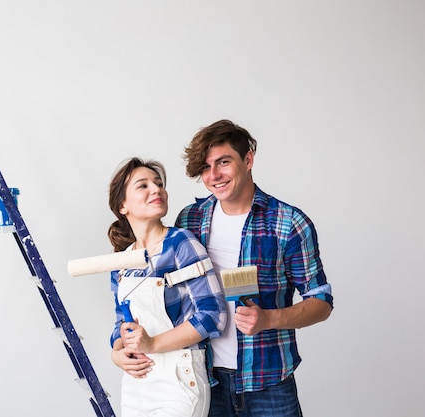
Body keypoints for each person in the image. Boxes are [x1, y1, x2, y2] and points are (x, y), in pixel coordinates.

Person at [175, 119, 333, 417]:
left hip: (270, 381)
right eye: (206, 167)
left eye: (224, 162)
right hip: (206, 379)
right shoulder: (190, 220)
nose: (214, 175)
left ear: (248, 160)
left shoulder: (288, 223)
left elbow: (321, 302)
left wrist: (269, 318)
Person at [107, 157, 227, 417]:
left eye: (159, 183)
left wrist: (151, 343)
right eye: (143, 185)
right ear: (122, 205)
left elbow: (212, 316)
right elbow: (120, 325)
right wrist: (117, 354)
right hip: (136, 385)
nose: (156, 189)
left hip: (179, 380)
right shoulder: (122, 262)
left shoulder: (181, 243)